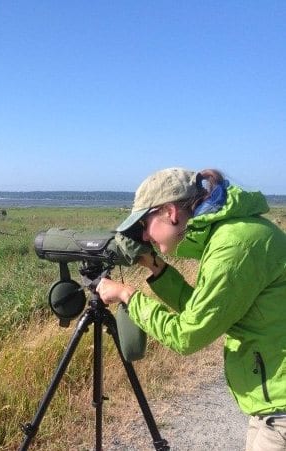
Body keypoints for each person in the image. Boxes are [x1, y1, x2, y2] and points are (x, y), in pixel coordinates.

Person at [96, 167, 286, 451]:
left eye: (144, 224)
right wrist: (154, 267)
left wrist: (127, 295)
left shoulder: (233, 247)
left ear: (170, 212)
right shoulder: (234, 233)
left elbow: (188, 335)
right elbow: (207, 311)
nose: (144, 237)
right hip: (269, 400)